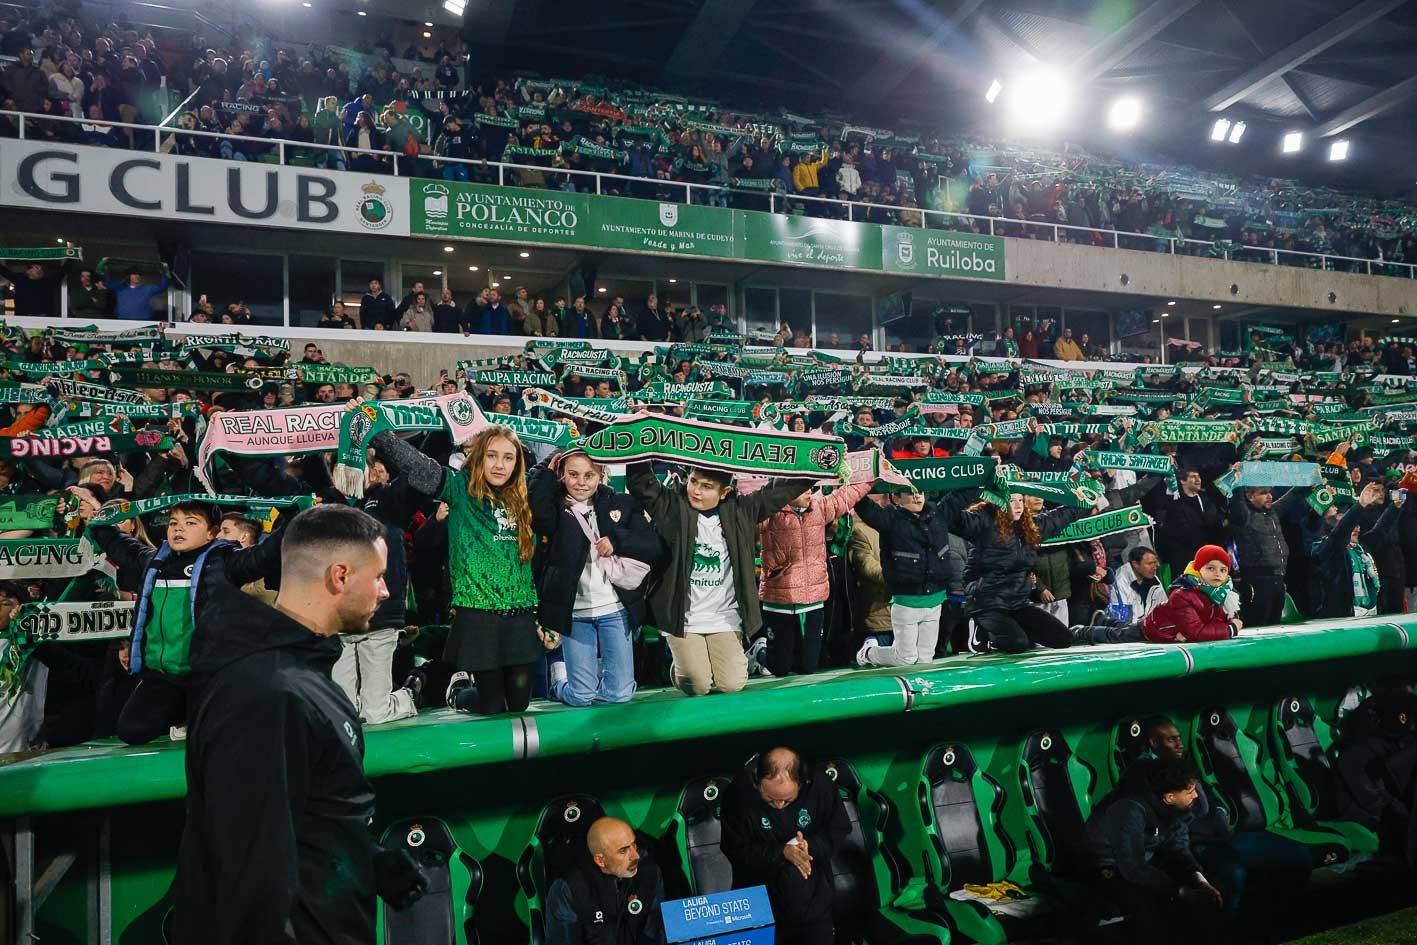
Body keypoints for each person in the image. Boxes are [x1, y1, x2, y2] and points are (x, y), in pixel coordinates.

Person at [168, 505, 429, 945]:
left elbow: (303, 815)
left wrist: (367, 859)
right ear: (340, 576)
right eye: (379, 576)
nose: (386, 591)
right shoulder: (271, 693)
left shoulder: (299, 676)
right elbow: (250, 870)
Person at [368, 419, 550, 715]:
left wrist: (571, 436)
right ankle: (458, 693)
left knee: (519, 702)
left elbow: (556, 468)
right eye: (491, 455)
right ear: (478, 457)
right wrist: (376, 431)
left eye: (508, 457)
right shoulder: (458, 488)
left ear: (517, 462)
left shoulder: (525, 494)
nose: (499, 465)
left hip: (519, 615)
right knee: (491, 705)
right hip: (479, 616)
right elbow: (416, 464)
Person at [90, 499, 287, 744]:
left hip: (208, 675)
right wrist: (99, 519)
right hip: (163, 676)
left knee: (224, 737)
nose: (178, 529)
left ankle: (212, 713)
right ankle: (189, 714)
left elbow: (265, 554)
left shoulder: (225, 562)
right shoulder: (154, 561)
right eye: (173, 523)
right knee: (132, 731)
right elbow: (117, 542)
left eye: (190, 522)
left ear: (212, 533)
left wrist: (291, 517)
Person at [628, 464, 813, 697]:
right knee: (698, 685)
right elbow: (641, 484)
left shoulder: (742, 509)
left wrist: (821, 465)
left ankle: (709, 661)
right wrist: (638, 448)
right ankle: (683, 667)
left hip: (725, 617)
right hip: (683, 618)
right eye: (693, 481)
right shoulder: (673, 506)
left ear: (724, 492)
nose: (696, 491)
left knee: (731, 684)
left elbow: (780, 492)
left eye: (707, 487)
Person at [1130, 717, 1311, 921]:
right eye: (1171, 740)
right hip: (1197, 844)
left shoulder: (1184, 765)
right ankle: (1228, 926)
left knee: (1298, 853)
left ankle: (1284, 917)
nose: (1179, 743)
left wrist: (1220, 812)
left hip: (1226, 835)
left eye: (1179, 738)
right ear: (1154, 743)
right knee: (1233, 872)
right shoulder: (1151, 776)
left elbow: (1209, 796)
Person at [528, 451, 663, 707]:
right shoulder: (553, 509)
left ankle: (594, 674)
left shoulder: (620, 502)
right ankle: (560, 677)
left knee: (620, 694)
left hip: (614, 609)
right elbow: (533, 500)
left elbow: (653, 545)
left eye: (589, 475)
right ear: (562, 476)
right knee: (581, 696)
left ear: (601, 475)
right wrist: (549, 464)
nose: (581, 482)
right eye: (573, 475)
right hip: (574, 614)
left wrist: (618, 542)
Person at [1080, 756, 1222, 945]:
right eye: (1190, 792)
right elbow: (1133, 869)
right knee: (1148, 909)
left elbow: (1178, 845)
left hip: (1145, 853)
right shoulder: (1129, 809)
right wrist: (1181, 892)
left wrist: (1199, 880)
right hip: (1105, 863)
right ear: (1169, 797)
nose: (1196, 795)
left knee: (1207, 888)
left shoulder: (1175, 805)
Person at [720, 747, 850, 945]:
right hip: (761, 906)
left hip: (813, 902)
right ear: (757, 781)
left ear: (801, 782)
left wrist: (809, 846)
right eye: (770, 799)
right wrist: (781, 852)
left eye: (787, 799)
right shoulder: (739, 795)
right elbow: (735, 850)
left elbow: (839, 829)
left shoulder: (820, 786)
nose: (779, 805)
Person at [752, 475, 875, 677]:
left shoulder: (819, 509)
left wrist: (873, 474)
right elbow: (752, 510)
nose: (809, 491)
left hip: (813, 599)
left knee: (808, 666)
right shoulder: (769, 514)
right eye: (802, 488)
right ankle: (759, 651)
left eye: (810, 487)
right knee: (779, 668)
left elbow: (848, 494)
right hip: (779, 599)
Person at [953, 491, 1095, 653]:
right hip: (987, 603)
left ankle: (1013, 630)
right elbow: (950, 517)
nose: (1018, 505)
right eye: (1012, 501)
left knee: (1063, 639)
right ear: (998, 503)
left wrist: (1087, 499)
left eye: (1020, 500)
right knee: (1018, 643)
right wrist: (966, 490)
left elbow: (1061, 517)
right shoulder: (983, 525)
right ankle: (981, 628)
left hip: (1018, 603)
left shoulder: (1029, 527)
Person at [851, 488, 966, 667]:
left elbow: (962, 494)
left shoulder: (938, 513)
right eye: (910, 493)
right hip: (906, 602)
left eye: (920, 491)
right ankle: (869, 653)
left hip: (935, 600)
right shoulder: (889, 520)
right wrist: (851, 482)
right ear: (896, 498)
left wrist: (987, 470)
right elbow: (863, 505)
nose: (917, 496)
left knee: (925, 658)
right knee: (905, 659)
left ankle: (922, 693)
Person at [545, 817, 665, 945]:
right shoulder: (568, 889)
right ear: (600, 860)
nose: (636, 856)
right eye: (623, 851)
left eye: (634, 845)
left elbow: (655, 933)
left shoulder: (649, 873)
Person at [1309, 483, 1399, 618]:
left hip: (1370, 612)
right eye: (1352, 525)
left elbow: (1381, 530)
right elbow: (1341, 531)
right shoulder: (1327, 548)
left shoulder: (1361, 547)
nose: (1357, 528)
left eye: (1358, 525)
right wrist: (1360, 505)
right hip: (1341, 618)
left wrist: (1395, 507)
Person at [1228, 483, 1305, 627]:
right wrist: (1237, 482)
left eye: (1270, 492)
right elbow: (1236, 502)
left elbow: (1291, 497)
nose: (1269, 496)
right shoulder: (1243, 516)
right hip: (1257, 580)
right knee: (1258, 624)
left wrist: (1307, 484)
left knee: (1274, 624)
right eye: (1263, 493)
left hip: (1279, 578)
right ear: (1249, 496)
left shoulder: (1273, 512)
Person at [1142, 544, 1241, 644]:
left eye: (1223, 570)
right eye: (1210, 568)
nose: (1217, 573)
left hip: (1185, 634)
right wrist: (1230, 629)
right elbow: (1196, 632)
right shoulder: (1182, 595)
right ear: (1198, 569)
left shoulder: (1226, 594)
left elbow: (1217, 622)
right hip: (1154, 630)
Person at [1155, 469, 1227, 582]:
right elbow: (1183, 532)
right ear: (1183, 481)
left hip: (1208, 558)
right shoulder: (1176, 503)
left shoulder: (1207, 500)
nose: (1198, 480)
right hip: (1185, 561)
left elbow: (1216, 524)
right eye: (1193, 476)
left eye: (1199, 477)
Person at [97, 258, 171, 320]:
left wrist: (165, 271)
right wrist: (103, 264)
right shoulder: (120, 288)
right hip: (123, 322)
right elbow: (106, 281)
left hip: (143, 323)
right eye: (134, 274)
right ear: (129, 276)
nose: (137, 276)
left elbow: (163, 286)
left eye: (139, 274)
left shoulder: (148, 289)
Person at [1109, 545, 1166, 622]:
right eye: (1150, 563)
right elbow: (1122, 620)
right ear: (1135, 564)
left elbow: (1164, 609)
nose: (1155, 567)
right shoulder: (1119, 582)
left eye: (1155, 563)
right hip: (1130, 631)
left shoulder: (1153, 579)